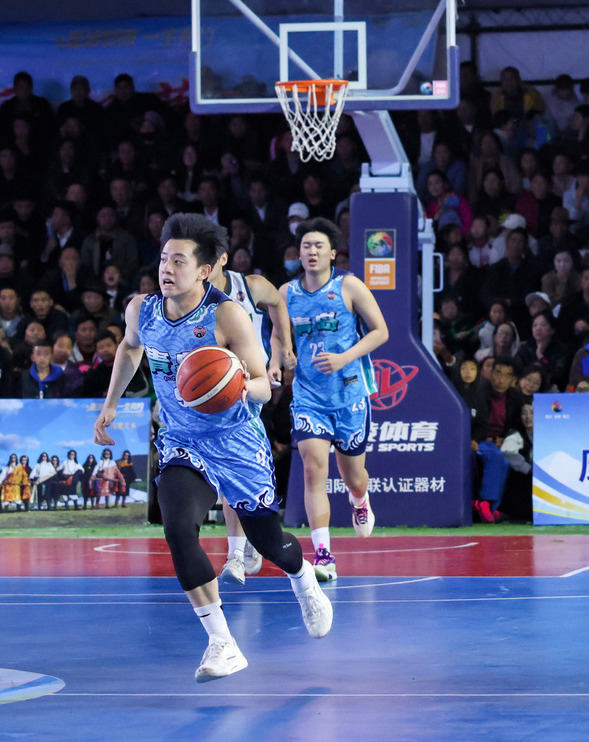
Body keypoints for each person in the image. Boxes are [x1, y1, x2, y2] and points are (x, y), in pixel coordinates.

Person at [94, 213, 331, 683]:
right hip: (182, 441)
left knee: (269, 543)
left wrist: (241, 386)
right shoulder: (142, 310)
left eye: (179, 261)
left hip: (236, 441)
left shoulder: (226, 315)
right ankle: (222, 642)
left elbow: (263, 383)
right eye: (164, 258)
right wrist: (110, 405)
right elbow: (130, 347)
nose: (167, 268)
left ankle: (303, 578)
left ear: (204, 270)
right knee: (179, 528)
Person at [280, 217, 388, 581]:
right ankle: (323, 555)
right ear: (299, 254)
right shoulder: (286, 294)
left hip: (349, 392)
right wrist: (281, 356)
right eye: (306, 246)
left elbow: (381, 331)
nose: (311, 251)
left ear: (332, 253)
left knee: (353, 477)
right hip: (308, 396)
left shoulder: (349, 286)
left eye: (318, 246)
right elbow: (277, 335)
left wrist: (344, 357)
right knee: (313, 469)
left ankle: (359, 500)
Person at [208, 247, 293, 587]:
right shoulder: (190, 296)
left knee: (252, 475)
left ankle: (254, 538)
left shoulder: (250, 285)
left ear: (221, 258)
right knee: (230, 472)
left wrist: (281, 349)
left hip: (257, 386)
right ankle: (236, 553)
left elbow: (278, 304)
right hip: (220, 393)